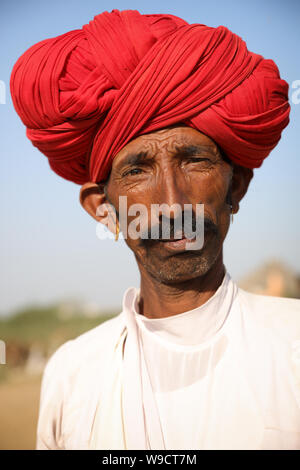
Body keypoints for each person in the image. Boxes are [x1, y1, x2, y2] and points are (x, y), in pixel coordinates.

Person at [10, 9, 300, 450]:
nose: (172, 203)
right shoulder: (70, 377)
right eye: (137, 170)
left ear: (235, 186)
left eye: (194, 161)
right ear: (103, 210)